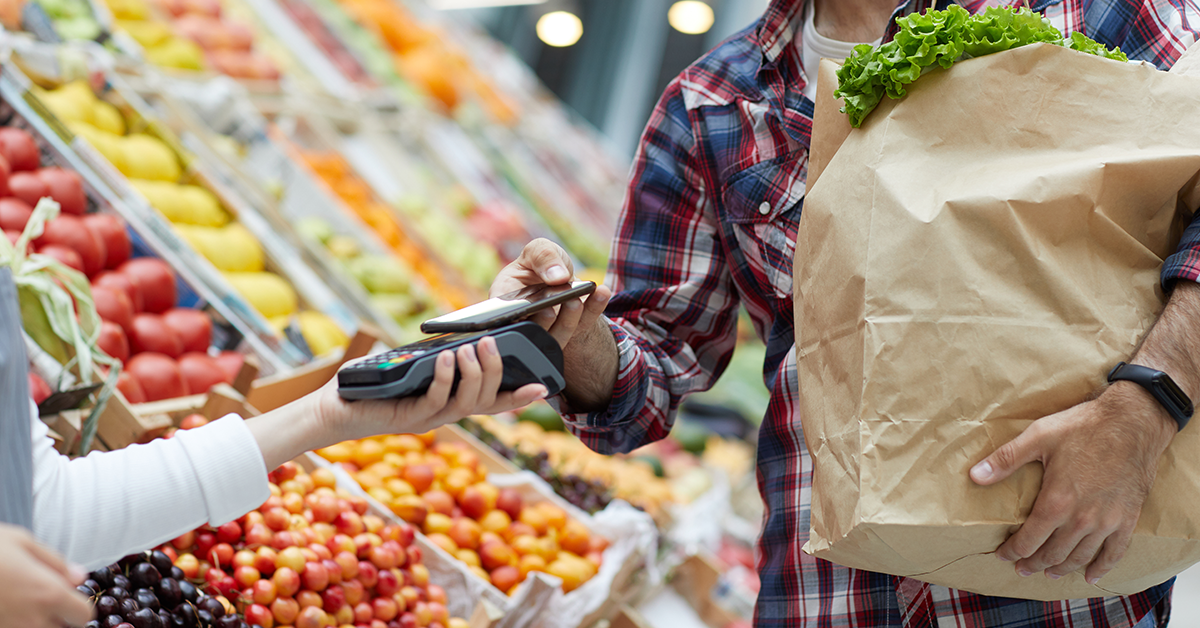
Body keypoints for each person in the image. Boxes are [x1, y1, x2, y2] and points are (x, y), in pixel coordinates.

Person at [489, 0, 1200, 626]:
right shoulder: (711, 104)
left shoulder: (1090, 12)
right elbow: (651, 368)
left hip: (1055, 577)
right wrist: (575, 342)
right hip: (824, 595)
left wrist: (1145, 406)